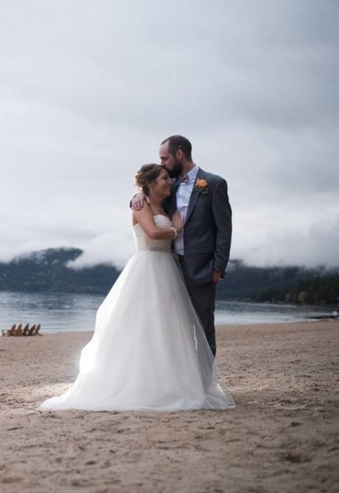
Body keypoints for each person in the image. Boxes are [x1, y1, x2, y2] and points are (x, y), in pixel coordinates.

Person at [39, 164, 233, 412]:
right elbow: (152, 232)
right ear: (150, 184)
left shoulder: (166, 205)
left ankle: (171, 382)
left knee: (169, 329)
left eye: (168, 178)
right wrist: (177, 230)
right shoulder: (139, 205)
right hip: (147, 266)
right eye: (163, 179)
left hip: (168, 269)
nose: (169, 182)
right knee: (142, 327)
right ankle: (138, 383)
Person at [132, 135, 232, 356]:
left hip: (202, 269)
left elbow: (224, 230)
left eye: (164, 158)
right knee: (172, 327)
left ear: (180, 154)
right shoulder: (170, 185)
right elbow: (150, 196)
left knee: (203, 327)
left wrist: (218, 268)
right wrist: (137, 195)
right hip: (169, 268)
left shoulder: (214, 184)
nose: (161, 164)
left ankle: (204, 383)